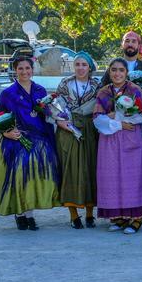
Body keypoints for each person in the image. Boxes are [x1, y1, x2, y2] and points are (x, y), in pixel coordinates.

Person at [0, 56, 60, 230]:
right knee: (20, 176)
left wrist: (53, 113)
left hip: (39, 139)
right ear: (15, 70)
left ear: (33, 69)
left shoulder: (40, 90)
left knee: (34, 178)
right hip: (17, 138)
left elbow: (46, 113)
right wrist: (6, 133)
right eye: (20, 68)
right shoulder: (8, 93)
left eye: (27, 68)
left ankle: (29, 214)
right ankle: (20, 213)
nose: (24, 71)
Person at [93, 59, 142, 234]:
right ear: (109, 71)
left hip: (133, 137)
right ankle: (118, 216)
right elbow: (98, 119)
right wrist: (118, 123)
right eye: (114, 70)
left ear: (126, 72)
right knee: (113, 176)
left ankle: (137, 217)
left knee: (134, 176)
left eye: (121, 70)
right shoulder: (103, 92)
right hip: (110, 139)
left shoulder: (134, 89)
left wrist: (116, 117)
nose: (117, 73)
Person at [54, 51, 100, 229]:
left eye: (84, 65)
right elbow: (55, 106)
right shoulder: (65, 83)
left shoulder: (96, 85)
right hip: (68, 129)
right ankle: (73, 215)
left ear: (90, 67)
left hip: (90, 129)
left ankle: (90, 214)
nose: (80, 68)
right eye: (78, 64)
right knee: (70, 170)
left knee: (90, 168)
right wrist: (61, 121)